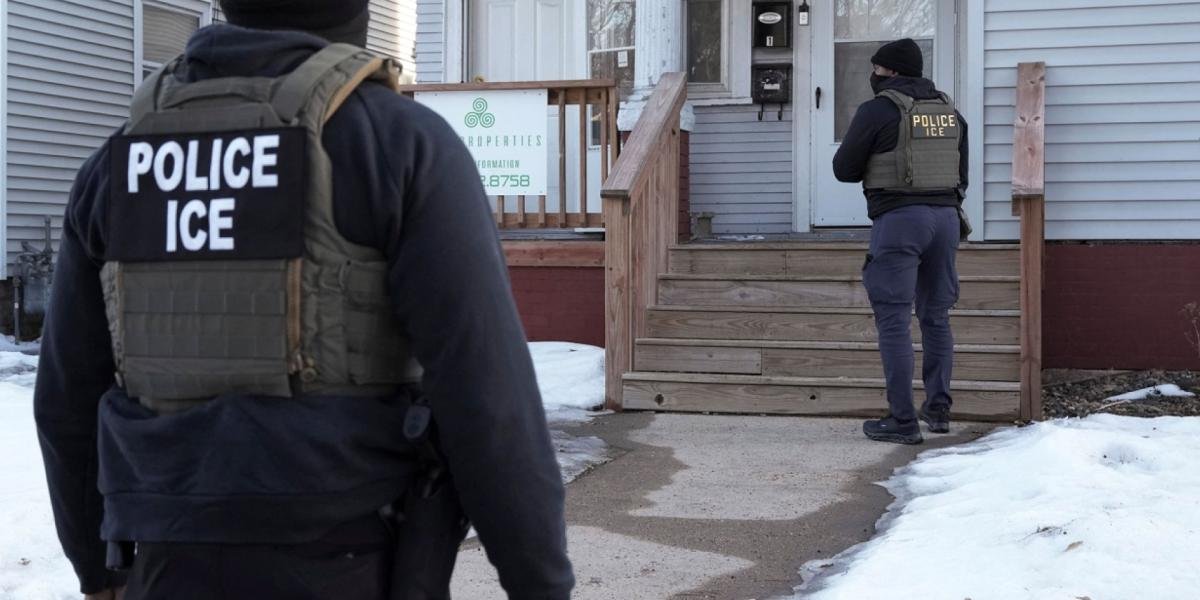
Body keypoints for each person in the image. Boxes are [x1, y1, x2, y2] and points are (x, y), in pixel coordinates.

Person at [33, 1, 574, 598]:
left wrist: (97, 571)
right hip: (353, 559)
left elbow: (66, 397)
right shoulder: (397, 142)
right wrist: (540, 584)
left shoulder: (116, 163)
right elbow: (487, 397)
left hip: (163, 563)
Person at [832, 38, 969, 445]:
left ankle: (903, 420)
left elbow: (844, 169)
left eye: (876, 69)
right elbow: (961, 173)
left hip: (900, 220)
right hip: (946, 219)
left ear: (889, 71)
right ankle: (938, 410)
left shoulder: (877, 110)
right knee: (936, 316)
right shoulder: (950, 112)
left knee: (893, 319)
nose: (872, 75)